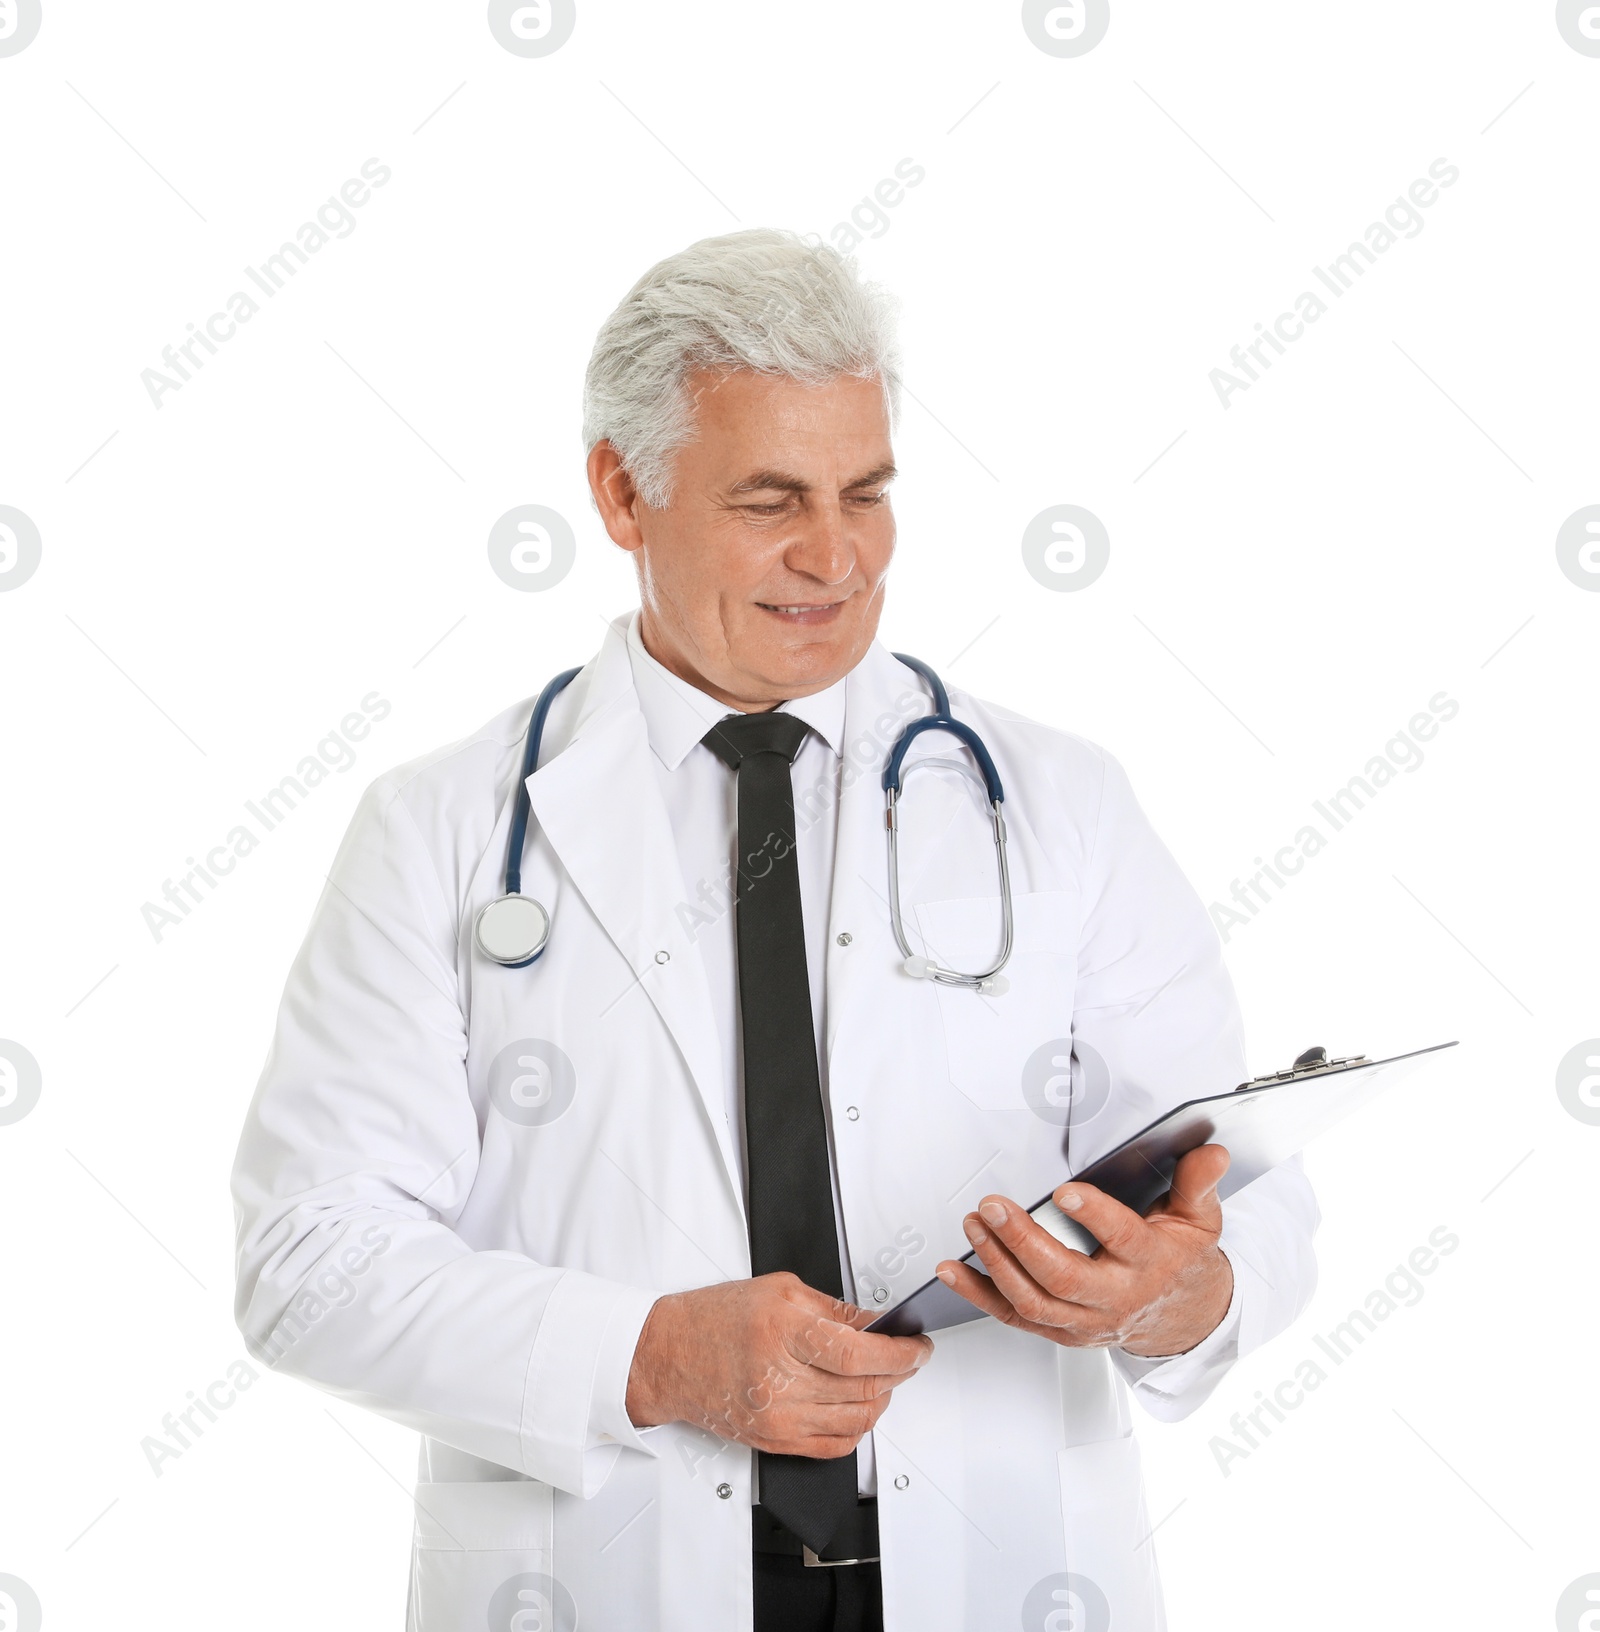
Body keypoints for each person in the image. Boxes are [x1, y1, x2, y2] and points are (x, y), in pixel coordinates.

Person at [231, 228, 1318, 1632]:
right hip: (602, 1576)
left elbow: (1246, 1188)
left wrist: (1174, 1297)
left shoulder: (1060, 802)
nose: (835, 553)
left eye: (866, 492)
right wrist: (650, 1355)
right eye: (770, 499)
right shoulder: (439, 829)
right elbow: (309, 1261)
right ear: (623, 493)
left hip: (1002, 1570)